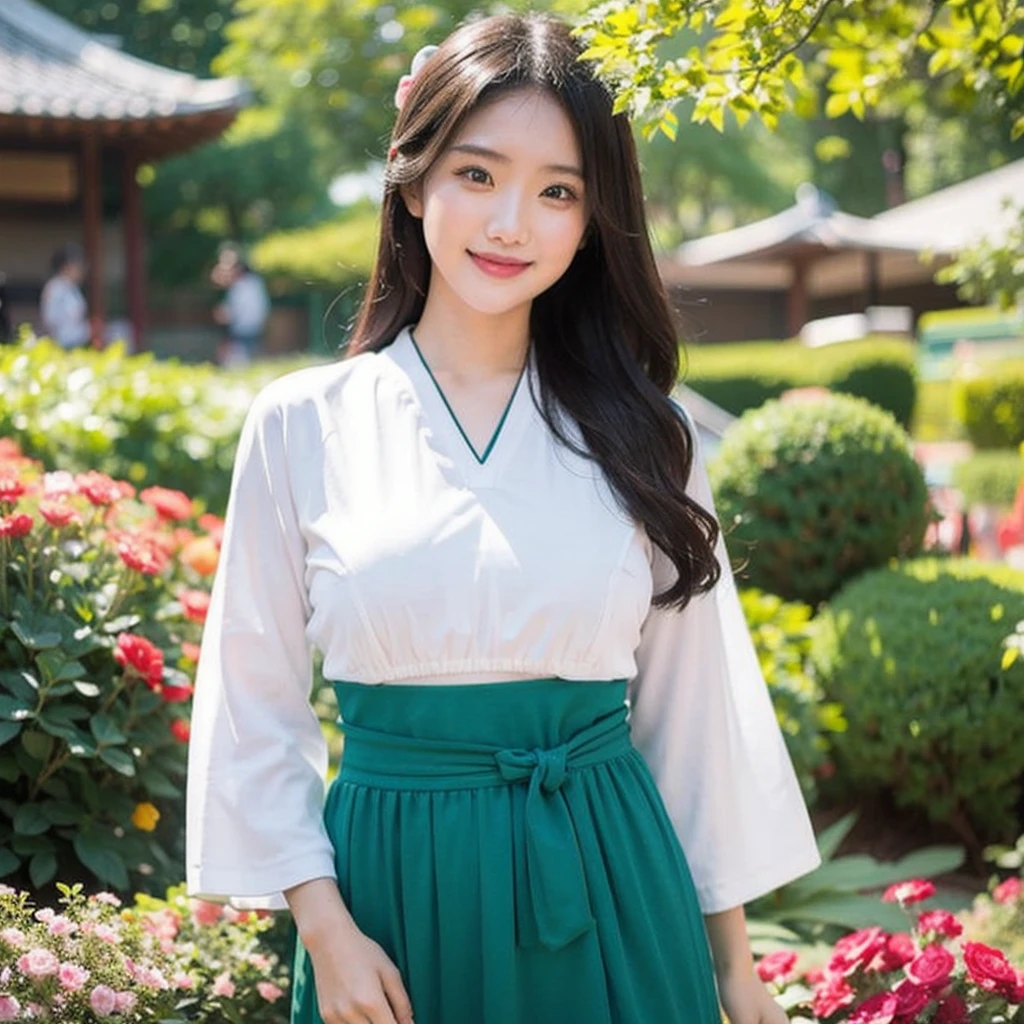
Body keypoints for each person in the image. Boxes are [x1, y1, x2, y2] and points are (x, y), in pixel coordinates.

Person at [186, 15, 821, 1024]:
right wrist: (325, 930)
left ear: (593, 217)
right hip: (394, 904)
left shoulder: (649, 440)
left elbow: (692, 719)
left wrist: (739, 977)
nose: (511, 223)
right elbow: (254, 704)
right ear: (414, 175)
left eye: (557, 190)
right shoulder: (304, 424)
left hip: (615, 886)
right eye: (477, 174)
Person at [211, 243, 270, 367]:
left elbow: (231, 315)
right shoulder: (238, 286)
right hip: (240, 333)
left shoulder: (247, 286)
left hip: (242, 334)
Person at [40, 243, 91, 350]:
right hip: (63, 344)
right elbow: (50, 319)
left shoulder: (73, 288)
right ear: (66, 266)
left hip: (78, 342)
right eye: (77, 266)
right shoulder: (54, 288)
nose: (80, 271)